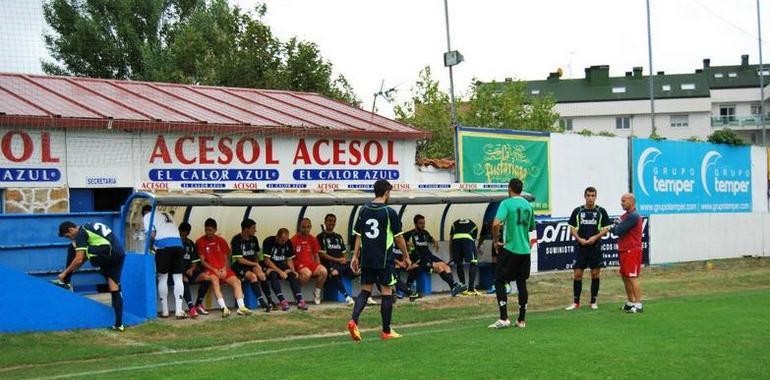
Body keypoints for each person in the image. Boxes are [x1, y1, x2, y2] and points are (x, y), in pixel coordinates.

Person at [348, 179, 412, 341]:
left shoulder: (364, 210)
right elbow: (398, 238)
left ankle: (353, 321)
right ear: (386, 192)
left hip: (367, 258)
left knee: (365, 290)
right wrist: (406, 256)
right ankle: (386, 331)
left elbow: (358, 235)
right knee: (386, 292)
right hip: (384, 258)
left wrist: (355, 256)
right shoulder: (389, 212)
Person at [58, 221, 126, 331]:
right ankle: (119, 324)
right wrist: (76, 267)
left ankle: (66, 280)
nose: (70, 238)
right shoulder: (88, 227)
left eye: (68, 236)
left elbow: (80, 257)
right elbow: (82, 258)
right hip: (118, 254)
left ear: (71, 229)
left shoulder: (80, 233)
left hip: (106, 253)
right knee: (114, 287)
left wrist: (65, 272)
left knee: (73, 247)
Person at [489, 178, 534, 329]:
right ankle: (521, 320)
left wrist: (496, 241)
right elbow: (530, 229)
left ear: (509, 188)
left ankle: (504, 318)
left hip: (511, 249)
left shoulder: (506, 203)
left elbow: (495, 223)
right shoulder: (528, 205)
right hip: (525, 250)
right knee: (521, 283)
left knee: (499, 280)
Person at [565, 187, 612, 311]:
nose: (590, 198)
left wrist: (596, 237)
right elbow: (572, 228)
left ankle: (593, 301)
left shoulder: (601, 211)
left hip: (595, 247)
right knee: (577, 274)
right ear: (584, 196)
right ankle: (576, 302)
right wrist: (579, 239)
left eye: (593, 195)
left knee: (595, 274)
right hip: (581, 247)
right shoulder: (578, 211)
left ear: (596, 197)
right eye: (588, 195)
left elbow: (606, 228)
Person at [195, 218, 252, 317]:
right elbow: (202, 261)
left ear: (215, 230)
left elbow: (226, 257)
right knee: (214, 281)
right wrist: (214, 270)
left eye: (210, 230)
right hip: (211, 270)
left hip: (223, 269)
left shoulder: (221, 241)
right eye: (206, 230)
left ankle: (241, 307)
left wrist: (225, 269)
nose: (208, 232)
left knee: (237, 282)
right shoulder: (200, 241)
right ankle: (224, 308)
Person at [403, 214, 466, 298]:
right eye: (421, 223)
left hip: (429, 256)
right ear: (415, 224)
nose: (423, 225)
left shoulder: (425, 233)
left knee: (447, 267)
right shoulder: (409, 235)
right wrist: (407, 259)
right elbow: (399, 243)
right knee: (439, 268)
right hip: (420, 259)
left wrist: (435, 241)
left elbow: (430, 238)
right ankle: (454, 285)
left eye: (424, 223)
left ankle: (453, 288)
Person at [141, 205, 186, 319]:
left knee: (163, 277)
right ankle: (179, 311)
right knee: (178, 278)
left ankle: (165, 311)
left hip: (163, 246)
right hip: (178, 245)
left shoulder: (147, 216)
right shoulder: (166, 214)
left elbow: (152, 235)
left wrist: (151, 245)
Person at [231, 218, 277, 313]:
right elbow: (239, 259)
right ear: (246, 229)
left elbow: (256, 254)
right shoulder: (236, 240)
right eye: (253, 228)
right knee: (253, 276)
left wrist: (257, 265)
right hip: (240, 266)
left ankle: (270, 301)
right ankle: (262, 303)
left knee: (262, 275)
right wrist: (255, 264)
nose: (255, 230)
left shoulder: (254, 239)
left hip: (252, 264)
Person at [611, 193, 644, 313]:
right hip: (624, 249)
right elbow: (618, 228)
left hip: (632, 250)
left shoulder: (634, 216)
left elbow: (618, 230)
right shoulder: (626, 216)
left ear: (631, 201)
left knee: (632, 277)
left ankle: (638, 304)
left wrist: (615, 227)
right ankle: (630, 302)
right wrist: (616, 226)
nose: (621, 203)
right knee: (625, 277)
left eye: (624, 201)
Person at [262, 228, 309, 311]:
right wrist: (280, 272)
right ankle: (283, 301)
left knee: (292, 275)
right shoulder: (268, 241)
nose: (284, 243)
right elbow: (267, 261)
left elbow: (289, 259)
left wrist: (293, 271)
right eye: (282, 240)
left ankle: (300, 300)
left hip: (280, 264)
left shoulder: (288, 242)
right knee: (273, 274)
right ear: (277, 237)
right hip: (269, 265)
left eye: (286, 240)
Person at [317, 213, 356, 305]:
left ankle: (366, 296)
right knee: (335, 273)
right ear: (325, 222)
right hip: (328, 263)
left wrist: (344, 259)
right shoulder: (320, 237)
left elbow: (343, 253)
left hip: (339, 262)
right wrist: (338, 260)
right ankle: (347, 296)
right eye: (330, 221)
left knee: (357, 269)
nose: (332, 223)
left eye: (334, 221)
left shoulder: (338, 237)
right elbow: (322, 255)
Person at [178, 222, 213, 318]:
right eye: (182, 233)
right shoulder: (175, 243)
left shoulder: (190, 244)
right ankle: (191, 307)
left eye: (186, 233)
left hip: (189, 272)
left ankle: (198, 304)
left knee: (207, 278)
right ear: (179, 231)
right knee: (184, 280)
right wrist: (181, 272)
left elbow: (195, 261)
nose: (184, 235)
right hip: (176, 273)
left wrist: (192, 269)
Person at [291, 218, 328, 305]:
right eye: (304, 227)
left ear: (310, 227)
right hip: (299, 264)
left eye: (308, 227)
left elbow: (316, 255)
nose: (306, 229)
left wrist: (318, 265)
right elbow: (290, 257)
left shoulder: (313, 239)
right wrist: (293, 270)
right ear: (300, 227)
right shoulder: (294, 239)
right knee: (307, 274)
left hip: (311, 264)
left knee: (324, 271)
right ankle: (297, 292)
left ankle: (317, 292)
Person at [478, 220, 514, 295]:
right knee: (494, 262)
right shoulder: (486, 224)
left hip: (504, 244)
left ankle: (507, 284)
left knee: (504, 263)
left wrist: (505, 244)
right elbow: (482, 236)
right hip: (495, 243)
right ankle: (495, 284)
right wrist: (478, 246)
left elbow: (512, 237)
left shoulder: (505, 225)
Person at [450, 218, 480, 295]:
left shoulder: (454, 223)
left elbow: (451, 240)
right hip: (467, 238)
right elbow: (472, 240)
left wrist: (451, 255)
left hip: (455, 239)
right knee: (474, 262)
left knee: (459, 263)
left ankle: (463, 287)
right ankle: (471, 289)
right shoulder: (474, 225)